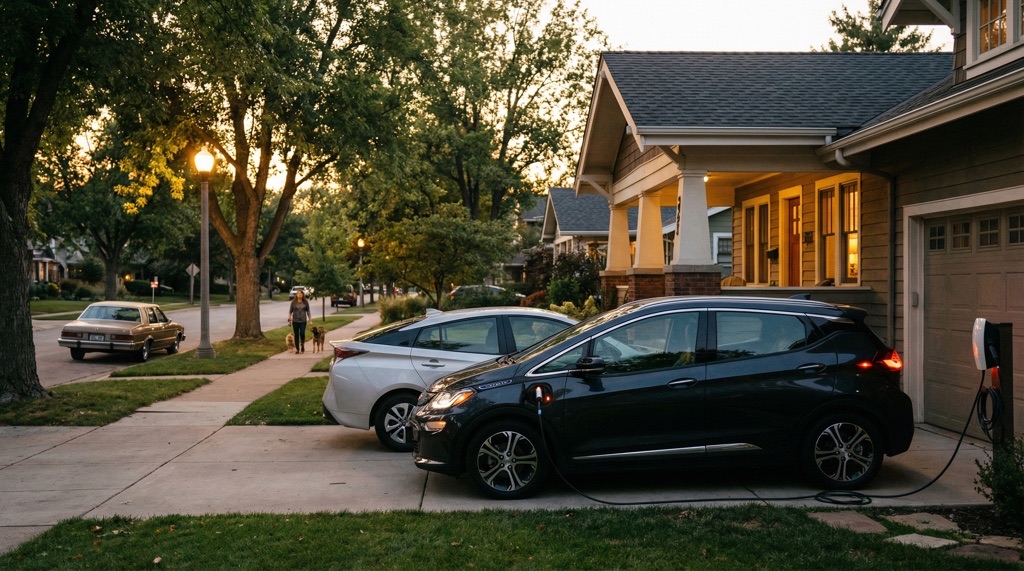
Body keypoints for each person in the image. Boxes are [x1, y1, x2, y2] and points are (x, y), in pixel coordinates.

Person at [288, 289, 312, 353]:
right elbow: (290, 311)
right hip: (295, 321)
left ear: (302, 294)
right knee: (296, 335)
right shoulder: (293, 302)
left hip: (303, 321)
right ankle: (297, 349)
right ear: (296, 295)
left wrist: (310, 320)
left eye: (300, 293)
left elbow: (308, 311)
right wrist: (289, 318)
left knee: (302, 333)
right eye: (298, 293)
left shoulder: (305, 302)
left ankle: (302, 345)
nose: (299, 294)